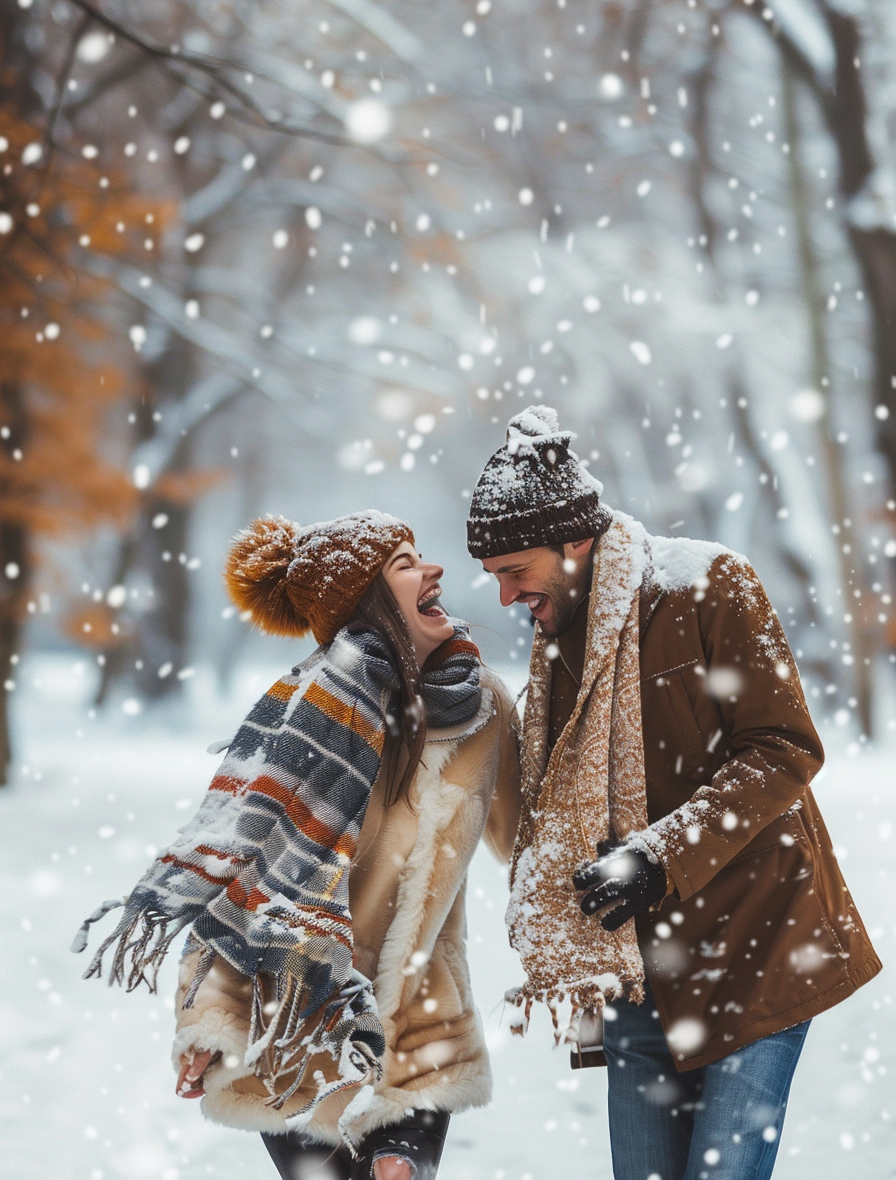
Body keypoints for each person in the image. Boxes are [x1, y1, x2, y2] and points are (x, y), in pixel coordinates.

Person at [466, 405, 881, 1180]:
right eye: (494, 578)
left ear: (573, 541)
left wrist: (661, 854)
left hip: (756, 949)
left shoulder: (707, 586)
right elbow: (544, 800)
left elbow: (784, 749)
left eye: (513, 572)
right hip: (636, 970)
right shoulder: (559, 647)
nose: (505, 598)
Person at [74, 511, 521, 1180]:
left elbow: (530, 843)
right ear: (366, 603)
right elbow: (236, 882)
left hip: (421, 1030)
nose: (434, 572)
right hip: (294, 1028)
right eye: (405, 563)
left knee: (399, 1173)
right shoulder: (303, 720)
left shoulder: (483, 708)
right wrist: (207, 1025)